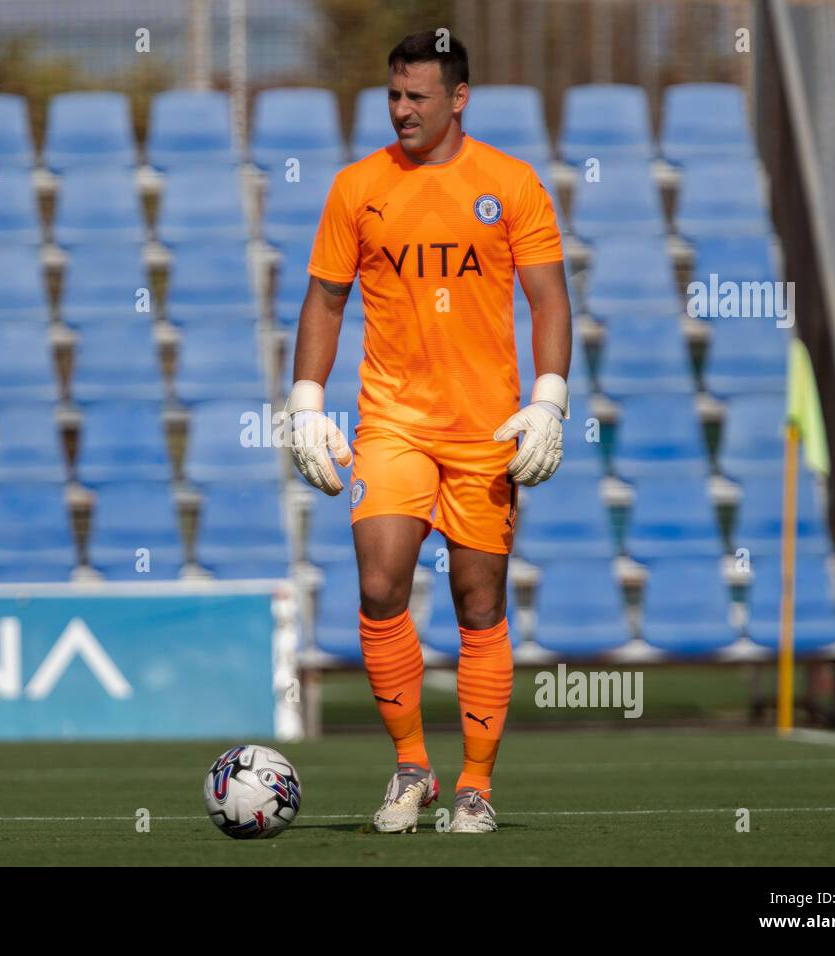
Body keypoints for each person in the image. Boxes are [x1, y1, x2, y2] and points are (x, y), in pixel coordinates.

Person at [285, 30, 572, 833]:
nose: (401, 109)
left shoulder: (512, 185)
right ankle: (412, 767)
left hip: (488, 430)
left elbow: (550, 300)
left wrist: (548, 398)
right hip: (393, 424)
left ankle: (476, 785)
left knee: (477, 603)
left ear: (459, 98)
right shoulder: (356, 187)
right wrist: (306, 400)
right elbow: (325, 299)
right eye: (393, 95)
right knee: (378, 585)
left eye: (417, 96)